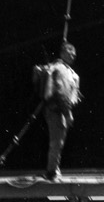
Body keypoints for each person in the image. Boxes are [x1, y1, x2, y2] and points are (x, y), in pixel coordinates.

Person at [34, 44, 81, 180]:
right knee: (57, 142)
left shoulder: (65, 69)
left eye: (74, 54)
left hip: (56, 109)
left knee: (58, 141)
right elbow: (61, 92)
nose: (72, 56)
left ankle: (54, 169)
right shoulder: (61, 69)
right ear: (62, 53)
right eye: (69, 53)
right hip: (57, 110)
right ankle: (51, 172)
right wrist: (68, 113)